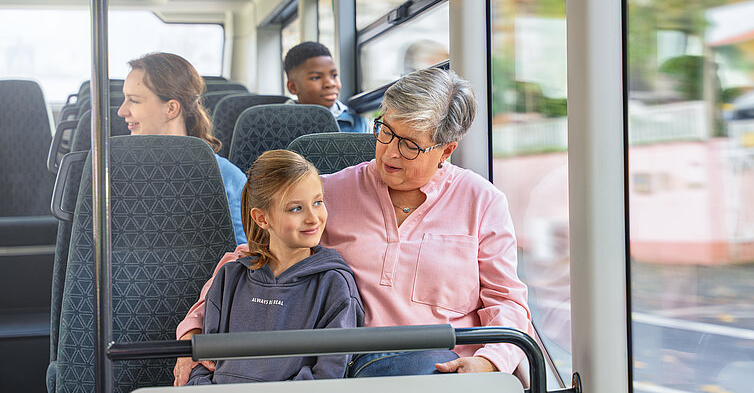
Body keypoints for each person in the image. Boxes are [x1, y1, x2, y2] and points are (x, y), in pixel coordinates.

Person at [174, 68, 533, 384]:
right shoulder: (327, 193)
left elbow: (508, 303)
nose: (390, 152)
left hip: (446, 368)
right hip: (352, 365)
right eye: (386, 132)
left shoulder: (483, 202)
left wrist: (489, 361)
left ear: (446, 150)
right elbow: (252, 254)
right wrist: (194, 335)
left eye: (409, 146)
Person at [185, 149, 364, 384]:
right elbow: (204, 363)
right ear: (262, 218)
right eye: (296, 209)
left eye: (318, 202)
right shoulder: (230, 277)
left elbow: (328, 373)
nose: (313, 218)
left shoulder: (334, 284)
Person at [118, 52, 248, 245]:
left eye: (134, 100)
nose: (122, 111)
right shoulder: (114, 173)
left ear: (171, 108)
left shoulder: (225, 177)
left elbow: (243, 257)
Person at [283, 41, 370, 133]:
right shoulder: (278, 124)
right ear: (293, 87)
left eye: (334, 75)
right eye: (316, 77)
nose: (330, 84)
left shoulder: (361, 125)